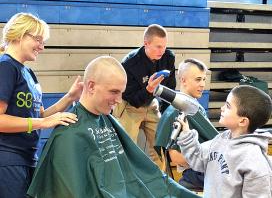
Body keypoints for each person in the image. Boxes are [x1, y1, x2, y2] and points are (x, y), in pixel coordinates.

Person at [27, 56, 201, 198]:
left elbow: (147, 174)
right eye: (113, 92)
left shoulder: (109, 121)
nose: (119, 100)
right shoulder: (69, 135)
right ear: (91, 86)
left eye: (121, 92)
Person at [0, 13, 83, 198]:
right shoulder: (5, 67)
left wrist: (69, 98)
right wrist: (41, 123)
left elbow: (41, 116)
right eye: (38, 39)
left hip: (27, 158)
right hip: (7, 158)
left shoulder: (28, 72)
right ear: (20, 35)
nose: (42, 47)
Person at [177, 85, 272, 198]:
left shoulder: (254, 160)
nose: (222, 108)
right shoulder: (220, 139)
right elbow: (197, 160)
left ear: (242, 121)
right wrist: (186, 134)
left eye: (228, 106)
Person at [112, 24, 176, 167]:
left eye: (164, 46)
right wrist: (148, 89)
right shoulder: (129, 63)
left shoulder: (168, 57)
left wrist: (168, 116)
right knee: (127, 150)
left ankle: (159, 183)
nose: (162, 50)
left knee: (160, 146)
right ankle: (128, 185)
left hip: (152, 103)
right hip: (129, 106)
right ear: (146, 44)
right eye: (158, 46)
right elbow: (133, 100)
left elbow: (170, 88)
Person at [155, 58, 218, 190]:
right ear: (183, 80)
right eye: (198, 79)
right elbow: (176, 158)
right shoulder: (176, 112)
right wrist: (209, 159)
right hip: (197, 174)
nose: (202, 84)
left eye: (204, 79)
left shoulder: (194, 104)